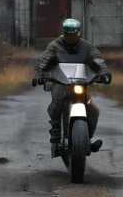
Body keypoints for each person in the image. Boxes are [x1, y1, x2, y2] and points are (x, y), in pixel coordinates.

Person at [34, 18, 111, 157]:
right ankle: (56, 131)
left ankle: (86, 140)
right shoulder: (55, 45)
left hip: (80, 83)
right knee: (57, 98)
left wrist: (103, 73)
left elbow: (97, 59)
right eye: (67, 34)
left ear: (78, 33)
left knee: (93, 109)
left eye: (73, 34)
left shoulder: (86, 46)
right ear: (64, 33)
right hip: (59, 82)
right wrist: (39, 74)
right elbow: (45, 60)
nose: (70, 37)